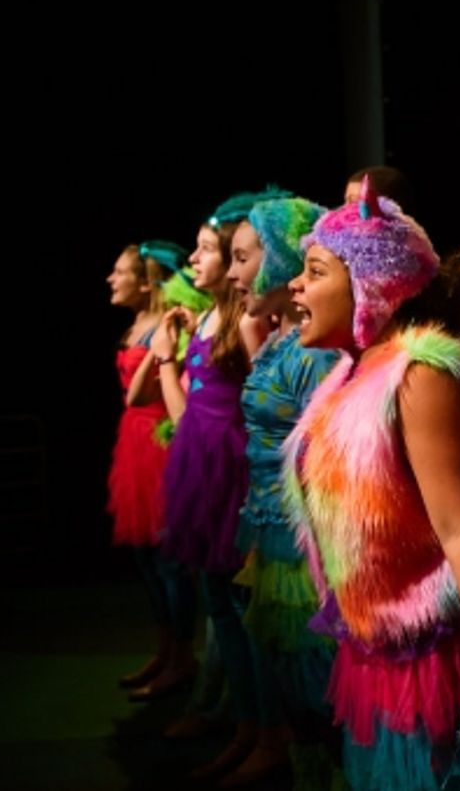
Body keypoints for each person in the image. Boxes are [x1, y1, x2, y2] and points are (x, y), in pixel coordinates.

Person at [283, 180, 460, 791]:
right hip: (373, 643)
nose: (295, 287)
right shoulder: (352, 372)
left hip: (431, 655)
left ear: (370, 286)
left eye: (314, 271)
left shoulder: (418, 373)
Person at [149, 193, 272, 777]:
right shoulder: (203, 316)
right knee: (219, 605)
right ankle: (244, 722)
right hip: (200, 471)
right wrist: (167, 359)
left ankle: (263, 730)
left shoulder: (245, 319)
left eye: (205, 249)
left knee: (244, 612)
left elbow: (258, 405)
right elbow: (186, 414)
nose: (194, 260)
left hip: (233, 477)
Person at [226, 194, 341, 786]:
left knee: (317, 701)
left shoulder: (314, 354)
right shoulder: (278, 341)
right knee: (293, 697)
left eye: (242, 257)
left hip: (305, 550)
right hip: (271, 532)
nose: (230, 272)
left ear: (275, 259)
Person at [106, 240, 197, 696]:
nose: (110, 279)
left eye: (119, 272)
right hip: (133, 445)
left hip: (160, 443)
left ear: (147, 281)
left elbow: (156, 391)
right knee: (146, 558)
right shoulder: (138, 324)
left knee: (168, 561)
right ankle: (166, 651)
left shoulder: (169, 327)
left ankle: (183, 658)